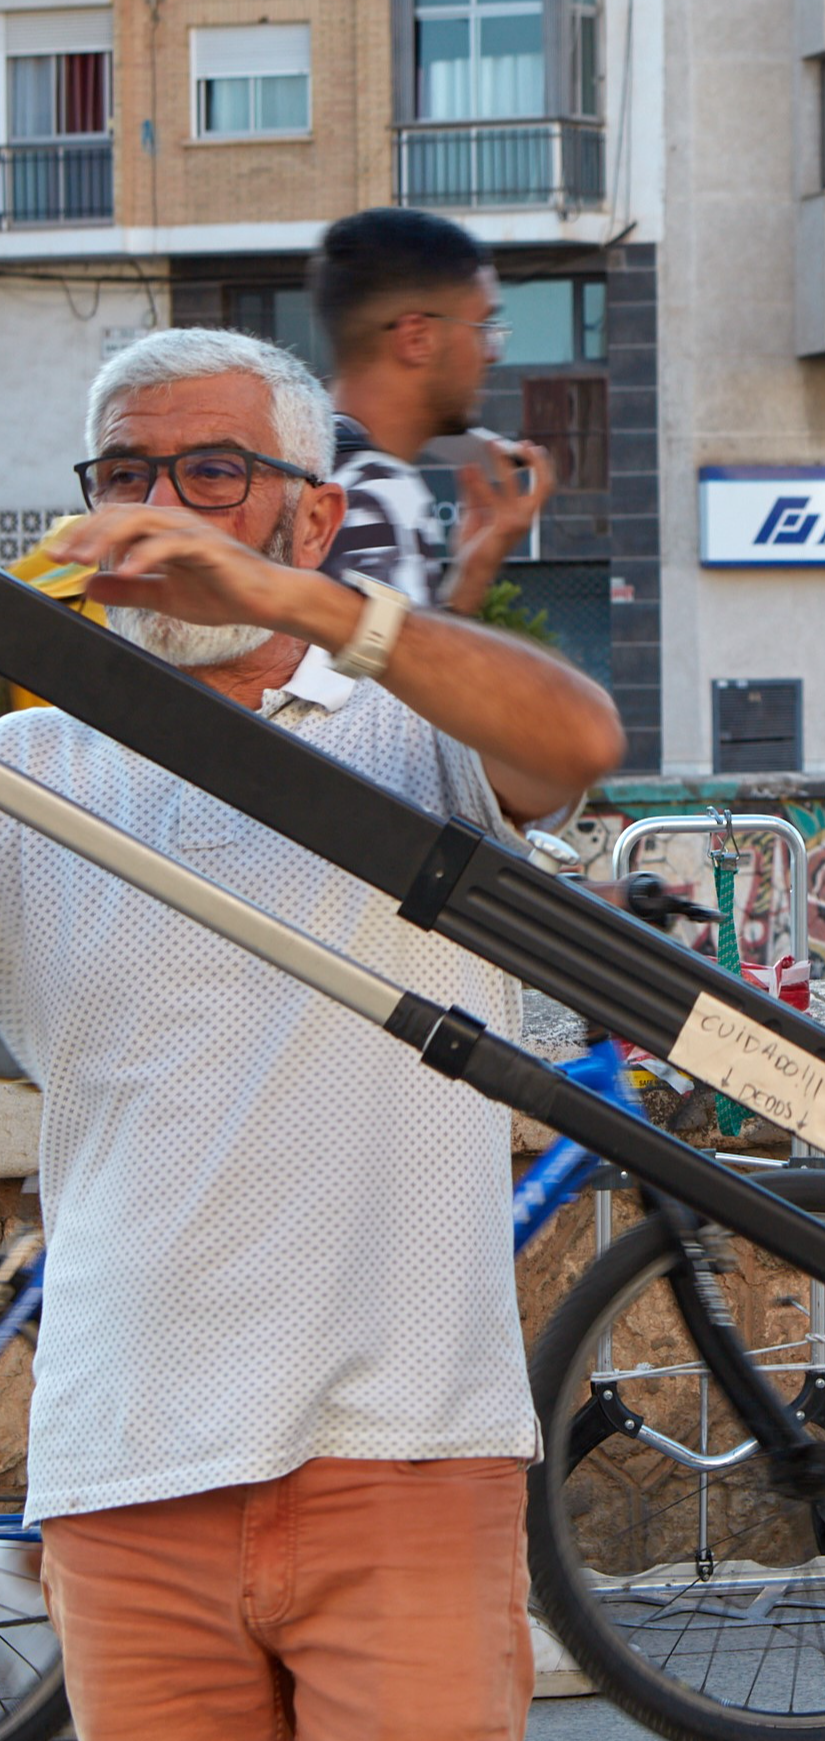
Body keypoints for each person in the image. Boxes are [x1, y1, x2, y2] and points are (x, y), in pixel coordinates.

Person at [0, 326, 624, 1741]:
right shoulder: (30, 767)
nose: (164, 507)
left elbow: (575, 740)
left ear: (317, 513)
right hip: (128, 1460)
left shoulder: (407, 735)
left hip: (403, 1447)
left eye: (214, 471)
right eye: (127, 473)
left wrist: (303, 606)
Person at [311, 206, 550, 613]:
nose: (492, 355)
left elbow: (382, 649)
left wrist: (472, 573)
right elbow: (394, 659)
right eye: (483, 328)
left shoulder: (307, 467)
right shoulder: (377, 494)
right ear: (416, 339)